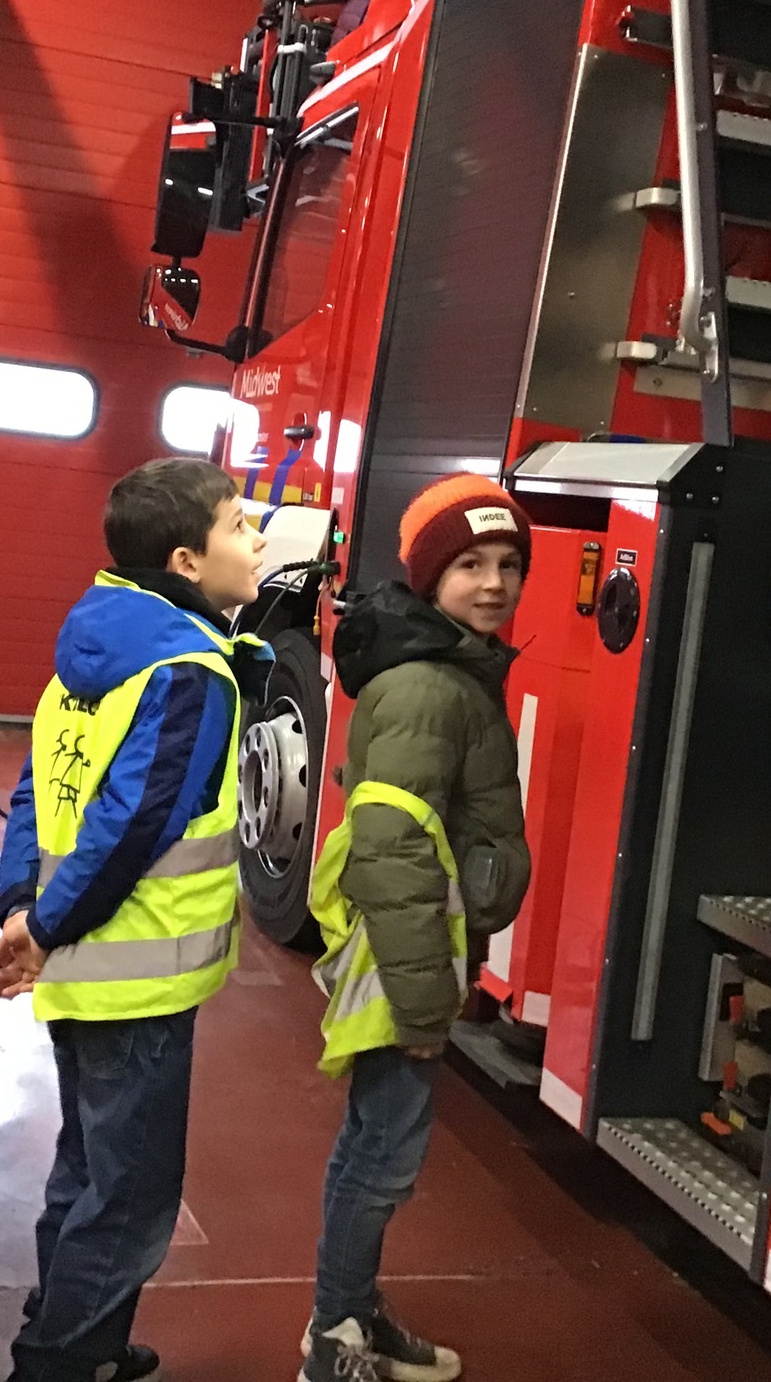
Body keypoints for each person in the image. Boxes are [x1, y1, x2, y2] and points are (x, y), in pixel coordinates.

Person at [0, 458, 269, 1382]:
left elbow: (36, 788)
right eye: (238, 525)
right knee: (133, 1194)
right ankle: (57, 1363)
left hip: (78, 968)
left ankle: (85, 1339)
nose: (258, 537)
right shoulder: (189, 672)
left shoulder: (95, 645)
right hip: (136, 980)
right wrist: (46, 927)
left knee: (85, 1169)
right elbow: (133, 824)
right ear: (186, 560)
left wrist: (24, 909)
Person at [300, 475, 534, 1382]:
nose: (494, 583)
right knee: (383, 1154)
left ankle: (352, 1309)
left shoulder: (454, 671)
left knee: (376, 1141)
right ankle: (333, 1339)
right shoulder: (429, 690)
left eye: (509, 564)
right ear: (431, 577)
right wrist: (425, 1000)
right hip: (408, 959)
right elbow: (392, 854)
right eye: (470, 564)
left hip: (422, 949)